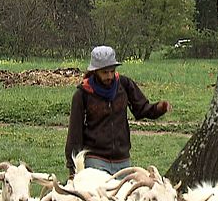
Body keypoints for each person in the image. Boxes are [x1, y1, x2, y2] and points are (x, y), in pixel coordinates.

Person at [65, 46, 171, 178]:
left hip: (122, 159)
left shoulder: (124, 85)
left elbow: (141, 109)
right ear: (95, 72)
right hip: (95, 159)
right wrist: (72, 167)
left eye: (112, 71)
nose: (109, 76)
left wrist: (159, 108)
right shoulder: (82, 94)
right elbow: (75, 132)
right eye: (104, 72)